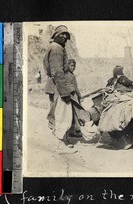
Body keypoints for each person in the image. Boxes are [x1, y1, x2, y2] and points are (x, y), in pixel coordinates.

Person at [43, 25, 78, 153]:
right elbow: (58, 71)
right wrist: (64, 92)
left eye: (66, 35)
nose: (64, 37)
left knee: (59, 113)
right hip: (60, 87)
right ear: (55, 35)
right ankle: (60, 145)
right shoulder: (57, 49)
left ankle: (62, 140)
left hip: (57, 86)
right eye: (61, 34)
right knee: (63, 114)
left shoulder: (56, 47)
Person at [65, 58, 83, 137]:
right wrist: (79, 96)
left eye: (74, 66)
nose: (73, 67)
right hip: (72, 97)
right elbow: (75, 87)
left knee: (71, 114)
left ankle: (72, 130)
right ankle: (73, 131)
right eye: (72, 66)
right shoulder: (70, 75)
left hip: (70, 97)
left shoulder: (67, 74)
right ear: (68, 65)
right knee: (74, 114)